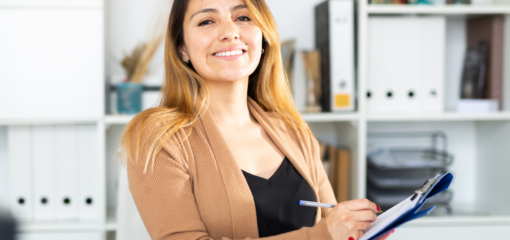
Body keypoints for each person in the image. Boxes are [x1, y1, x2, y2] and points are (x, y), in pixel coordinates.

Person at [119, 0, 394, 239]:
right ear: (182, 48)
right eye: (206, 21)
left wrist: (356, 232)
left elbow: (331, 225)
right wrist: (323, 235)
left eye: (243, 17)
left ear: (262, 38)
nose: (230, 32)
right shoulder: (159, 135)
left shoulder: (295, 131)